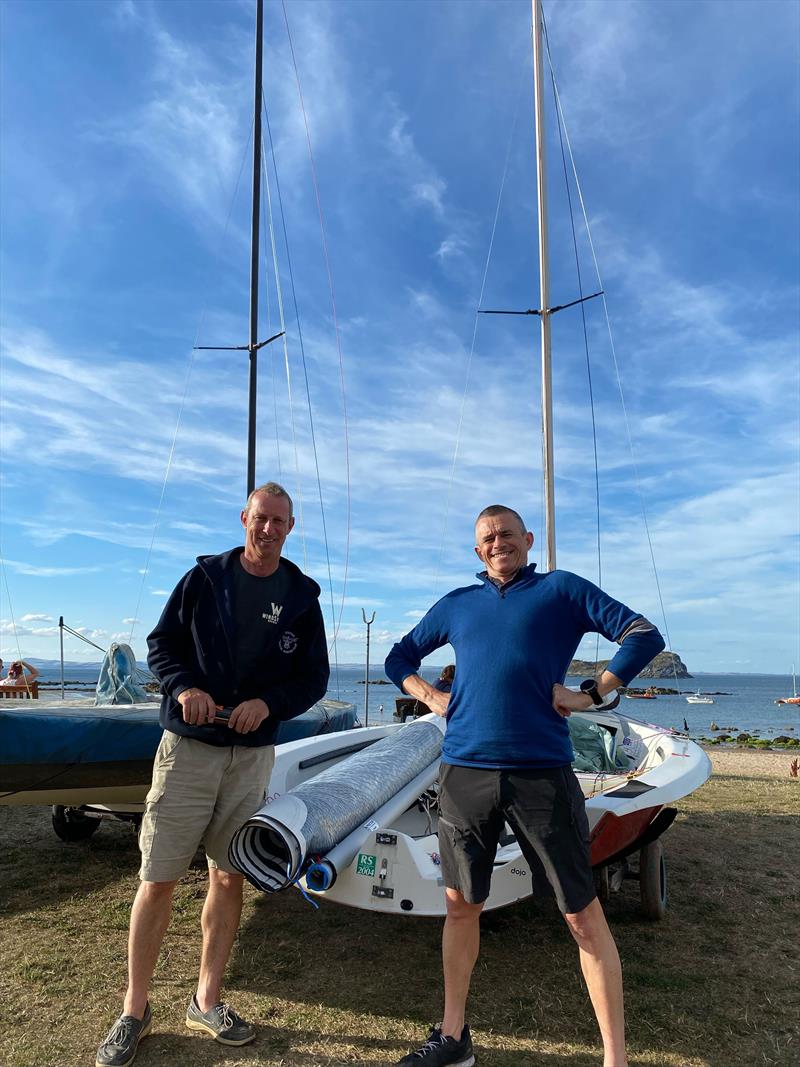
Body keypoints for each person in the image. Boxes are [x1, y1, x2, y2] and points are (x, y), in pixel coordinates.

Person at [385, 504, 664, 1067]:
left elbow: (642, 634)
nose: (498, 543)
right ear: (477, 549)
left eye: (507, 534)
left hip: (542, 773)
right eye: (488, 538)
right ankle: (453, 1038)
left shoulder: (559, 590)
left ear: (527, 539)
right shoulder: (458, 603)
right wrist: (431, 696)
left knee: (581, 913)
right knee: (462, 904)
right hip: (464, 772)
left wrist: (593, 692)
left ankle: (616, 1058)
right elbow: (399, 656)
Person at [96, 482, 329, 1067]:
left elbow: (313, 679)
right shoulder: (203, 580)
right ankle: (134, 1008)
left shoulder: (301, 595)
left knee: (229, 877)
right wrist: (185, 688)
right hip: (190, 751)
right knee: (158, 878)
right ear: (244, 519)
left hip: (251, 756)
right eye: (260, 519)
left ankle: (207, 999)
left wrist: (268, 705)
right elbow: (161, 645)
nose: (269, 529)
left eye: (279, 521)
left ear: (291, 526)